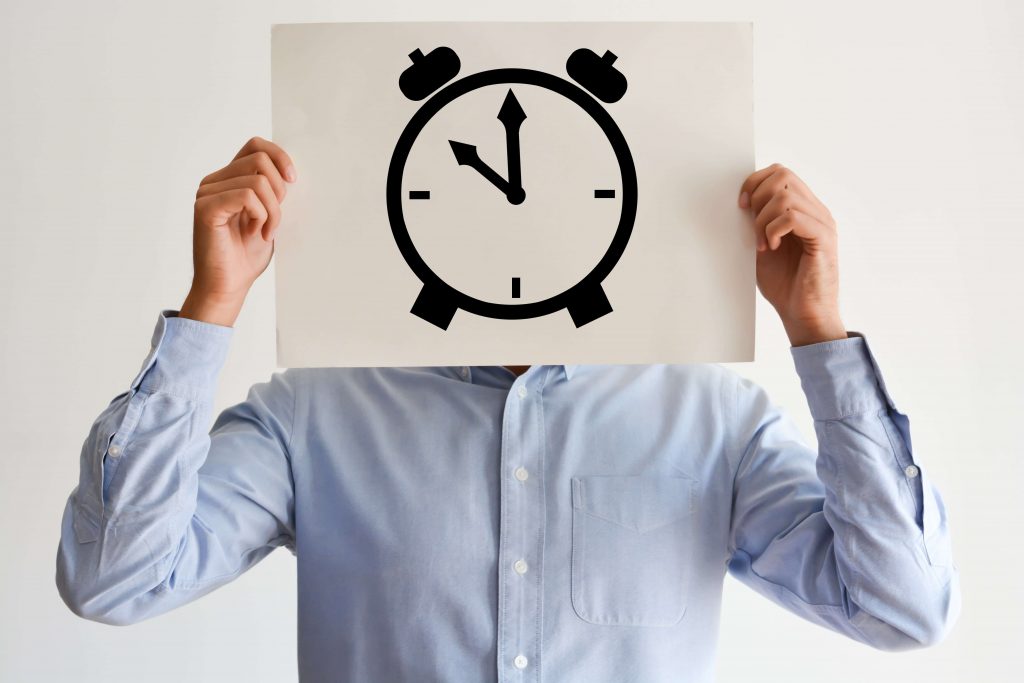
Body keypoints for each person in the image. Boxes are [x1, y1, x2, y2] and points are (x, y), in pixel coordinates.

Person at [56, 137, 960, 682]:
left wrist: (819, 331)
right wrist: (209, 307)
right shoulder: (312, 415)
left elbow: (901, 606)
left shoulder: (714, 419)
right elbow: (115, 579)